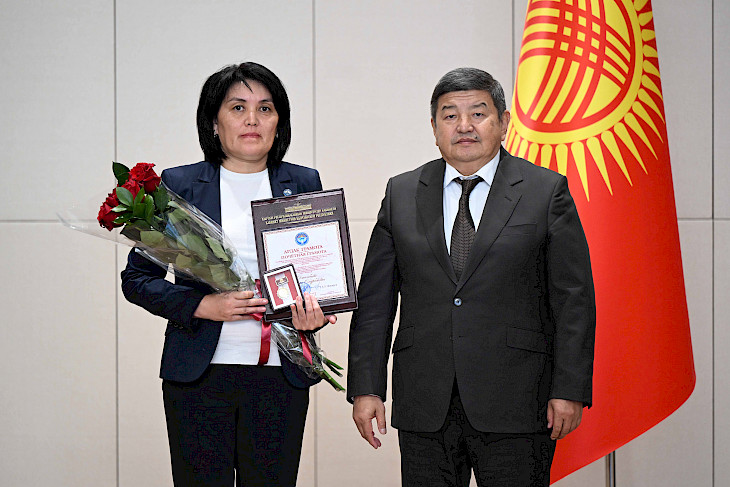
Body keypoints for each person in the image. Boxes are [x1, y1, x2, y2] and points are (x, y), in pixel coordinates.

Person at [347, 67, 596, 486]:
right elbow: (375, 301)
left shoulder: (544, 190)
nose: (464, 126)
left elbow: (573, 299)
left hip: (519, 401)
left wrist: (569, 389)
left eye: (478, 113)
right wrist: (366, 387)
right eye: (450, 115)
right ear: (434, 127)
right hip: (425, 401)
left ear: (503, 122)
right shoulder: (402, 192)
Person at [121, 62, 335, 487]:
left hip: (281, 374)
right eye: (238, 107)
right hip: (200, 375)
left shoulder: (302, 182)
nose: (252, 119)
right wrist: (203, 304)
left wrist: (316, 311)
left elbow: (318, 272)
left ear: (279, 122)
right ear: (214, 122)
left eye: (265, 108)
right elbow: (138, 280)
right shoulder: (180, 185)